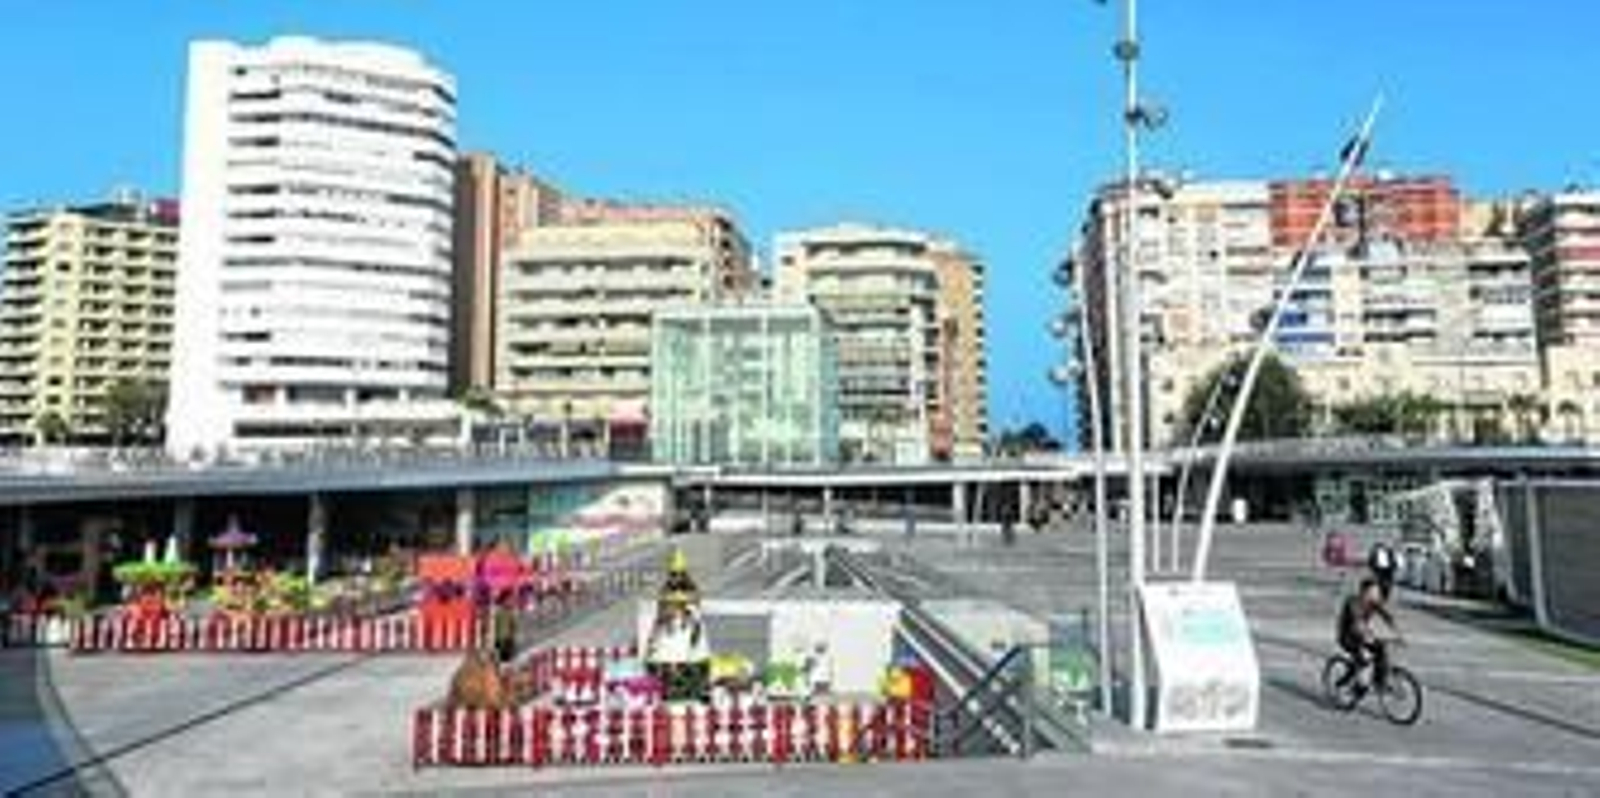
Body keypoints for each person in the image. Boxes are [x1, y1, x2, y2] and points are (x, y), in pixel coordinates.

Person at [1336, 577, 1400, 691]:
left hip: (1362, 634)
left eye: (1376, 591)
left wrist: (1397, 633)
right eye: (1373, 591)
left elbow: (1386, 616)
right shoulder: (1353, 602)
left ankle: (1379, 682)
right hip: (1347, 636)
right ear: (1364, 591)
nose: (1376, 594)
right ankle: (1354, 685)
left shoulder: (1373, 602)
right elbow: (1357, 622)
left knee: (1381, 650)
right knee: (1362, 660)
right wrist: (1367, 635)